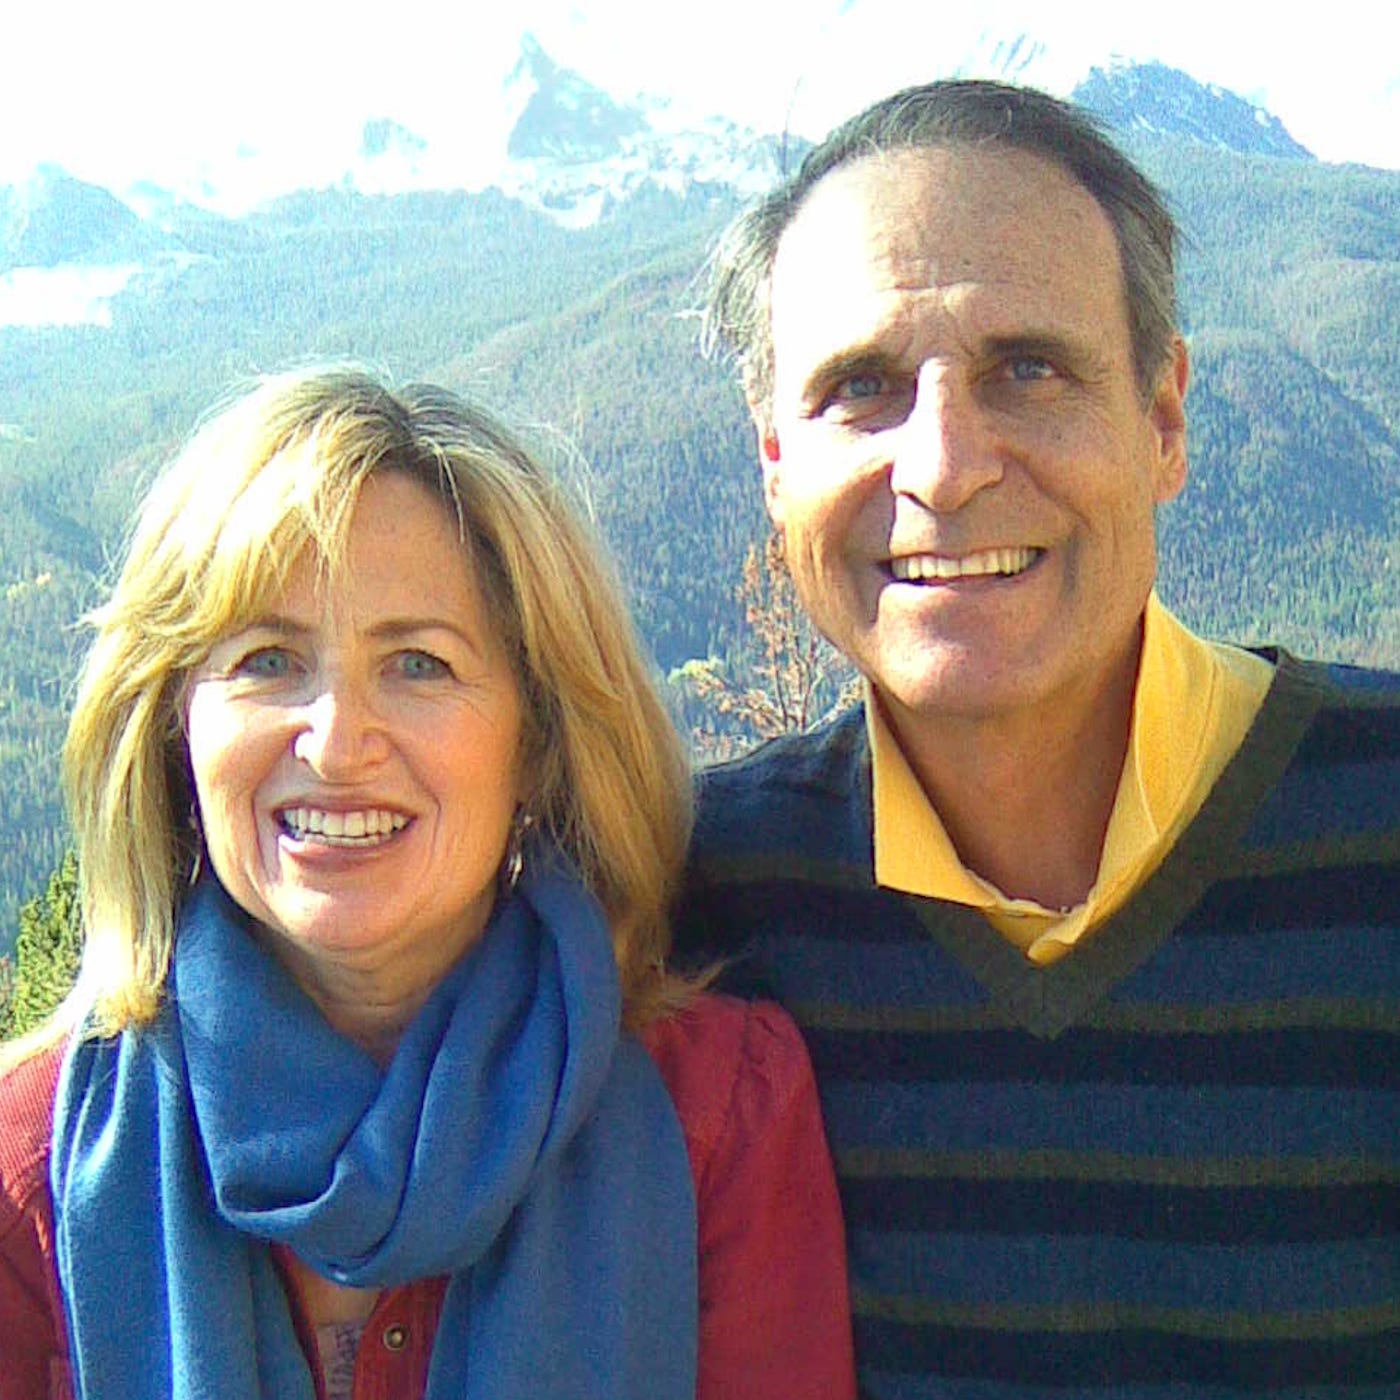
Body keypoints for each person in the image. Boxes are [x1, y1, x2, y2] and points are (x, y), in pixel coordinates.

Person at [680, 78, 1400, 1394]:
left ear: (1164, 420)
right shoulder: (692, 907)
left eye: (1028, 368)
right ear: (776, 463)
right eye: (861, 388)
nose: (943, 465)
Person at [0, 367, 856, 1400]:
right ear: (175, 731)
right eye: (267, 660)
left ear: (537, 741)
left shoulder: (717, 1112)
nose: (336, 742)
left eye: (417, 663)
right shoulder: (33, 1170)